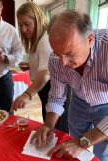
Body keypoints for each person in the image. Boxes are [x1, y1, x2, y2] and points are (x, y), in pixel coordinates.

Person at [32, 10, 108, 161]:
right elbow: (56, 97)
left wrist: (82, 143)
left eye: (70, 54)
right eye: (57, 53)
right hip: (78, 102)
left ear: (90, 40)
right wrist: (48, 125)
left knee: (104, 151)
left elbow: (82, 142)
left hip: (106, 104)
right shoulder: (56, 60)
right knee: (73, 143)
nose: (63, 63)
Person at [11, 2, 70, 133]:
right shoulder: (38, 39)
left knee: (57, 130)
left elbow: (45, 73)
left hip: (54, 90)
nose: (23, 29)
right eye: (20, 25)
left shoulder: (45, 40)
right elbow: (43, 65)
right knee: (50, 127)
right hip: (47, 90)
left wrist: (27, 94)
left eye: (27, 24)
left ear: (37, 20)